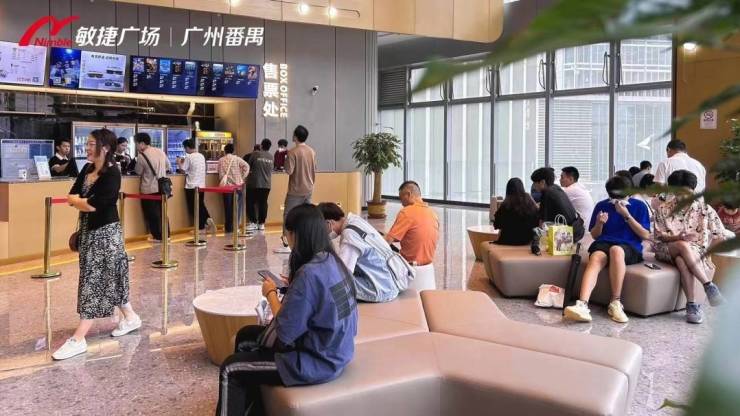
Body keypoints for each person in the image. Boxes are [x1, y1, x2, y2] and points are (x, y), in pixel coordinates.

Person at [216, 204, 357, 416]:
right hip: (336, 349)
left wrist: (271, 293)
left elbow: (284, 332)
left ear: (295, 235)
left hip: (318, 361)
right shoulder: (332, 261)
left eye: (287, 234)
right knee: (245, 336)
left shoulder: (309, 274)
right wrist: (293, 289)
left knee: (230, 369)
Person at [52, 129, 141, 360]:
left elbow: (95, 205)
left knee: (93, 281)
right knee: (111, 277)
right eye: (88, 143)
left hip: (106, 234)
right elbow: (72, 196)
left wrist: (80, 201)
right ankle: (131, 317)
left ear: (105, 147)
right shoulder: (86, 169)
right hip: (88, 232)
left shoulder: (113, 173)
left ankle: (78, 338)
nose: (87, 147)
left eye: (92, 144)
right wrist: (82, 201)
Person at [564, 176, 651, 324]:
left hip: (629, 246)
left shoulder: (639, 206)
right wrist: (599, 223)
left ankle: (615, 302)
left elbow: (645, 235)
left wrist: (627, 215)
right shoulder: (601, 205)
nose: (616, 200)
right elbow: (595, 235)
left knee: (616, 250)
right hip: (604, 242)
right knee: (596, 257)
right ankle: (582, 303)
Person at [652, 170, 726, 324]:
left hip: (694, 252)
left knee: (682, 260)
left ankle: (691, 305)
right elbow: (659, 236)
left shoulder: (704, 209)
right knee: (682, 244)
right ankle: (708, 285)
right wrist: (678, 237)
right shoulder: (663, 209)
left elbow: (720, 235)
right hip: (666, 249)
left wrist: (707, 254)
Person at [319, 202, 400, 302]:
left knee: (327, 282)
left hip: (382, 289)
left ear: (329, 223)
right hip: (388, 280)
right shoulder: (354, 220)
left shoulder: (349, 236)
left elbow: (343, 274)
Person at [275, 126, 316, 254]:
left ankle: (286, 244)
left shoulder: (292, 152)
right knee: (306, 216)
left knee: (288, 215)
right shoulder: (311, 151)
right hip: (309, 188)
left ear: (296, 136)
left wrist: (285, 161)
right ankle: (306, 242)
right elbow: (314, 168)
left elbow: (289, 170)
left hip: (295, 190)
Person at [385, 181, 440, 266]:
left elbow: (387, 241)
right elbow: (415, 235)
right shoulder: (433, 214)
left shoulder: (406, 212)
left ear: (408, 194)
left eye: (401, 198)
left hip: (409, 265)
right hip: (428, 265)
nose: (401, 203)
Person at [134, 132, 171, 242]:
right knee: (162, 212)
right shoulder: (160, 151)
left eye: (136, 143)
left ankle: (157, 236)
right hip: (162, 188)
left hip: (149, 188)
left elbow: (138, 171)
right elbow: (168, 166)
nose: (136, 146)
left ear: (142, 143)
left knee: (152, 214)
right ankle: (167, 235)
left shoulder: (142, 156)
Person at [530, 167, 585, 242]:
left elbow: (543, 222)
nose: (534, 186)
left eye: (535, 183)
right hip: (577, 230)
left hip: (568, 235)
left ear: (542, 182)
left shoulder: (547, 193)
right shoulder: (556, 188)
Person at [177, 139, 216, 236]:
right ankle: (208, 219)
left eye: (185, 148)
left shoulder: (189, 156)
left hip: (191, 186)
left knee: (194, 208)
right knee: (200, 205)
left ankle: (201, 228)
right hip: (201, 185)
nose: (185, 150)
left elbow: (183, 170)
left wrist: (179, 162)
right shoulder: (201, 156)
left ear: (187, 147)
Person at [493, 178, 540, 245]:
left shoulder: (506, 204)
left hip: (507, 241)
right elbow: (537, 218)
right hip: (526, 241)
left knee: (501, 231)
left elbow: (496, 224)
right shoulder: (528, 200)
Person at [218, 143, 250, 234]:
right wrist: (242, 176)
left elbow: (219, 173)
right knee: (237, 207)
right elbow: (247, 166)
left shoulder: (221, 160)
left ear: (225, 151)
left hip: (226, 187)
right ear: (233, 151)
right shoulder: (237, 159)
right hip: (237, 186)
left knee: (227, 207)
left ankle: (228, 228)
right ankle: (236, 226)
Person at [245, 139, 274, 231]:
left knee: (250, 202)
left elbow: (248, 167)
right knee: (263, 203)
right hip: (266, 184)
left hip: (254, 183)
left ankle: (253, 222)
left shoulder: (255, 154)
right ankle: (261, 224)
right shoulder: (271, 156)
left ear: (261, 145)